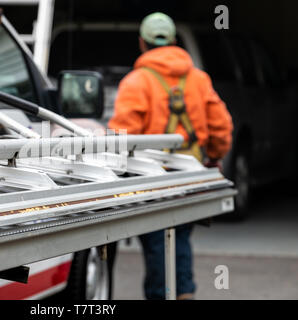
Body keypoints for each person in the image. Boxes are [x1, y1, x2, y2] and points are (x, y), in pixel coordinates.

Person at [108, 12, 233, 300]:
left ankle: (165, 294)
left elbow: (120, 137)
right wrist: (214, 155)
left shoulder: (136, 82)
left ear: (142, 43)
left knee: (156, 243)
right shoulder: (199, 80)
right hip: (189, 175)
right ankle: (184, 292)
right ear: (175, 42)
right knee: (180, 237)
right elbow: (222, 127)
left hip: (149, 181)